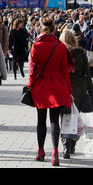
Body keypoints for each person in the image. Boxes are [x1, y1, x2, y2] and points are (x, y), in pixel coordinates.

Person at [27, 16, 73, 166]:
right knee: (54, 120)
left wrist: (30, 85)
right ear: (54, 30)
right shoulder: (61, 47)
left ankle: (40, 151)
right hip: (57, 86)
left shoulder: (35, 46)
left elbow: (32, 70)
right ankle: (55, 151)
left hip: (41, 86)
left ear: (41, 29)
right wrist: (69, 91)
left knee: (41, 120)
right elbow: (65, 71)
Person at [59, 29, 93, 159]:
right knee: (75, 117)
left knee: (65, 117)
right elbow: (87, 74)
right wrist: (91, 91)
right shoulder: (81, 53)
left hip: (64, 89)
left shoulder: (61, 52)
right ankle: (72, 143)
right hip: (79, 89)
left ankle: (66, 144)